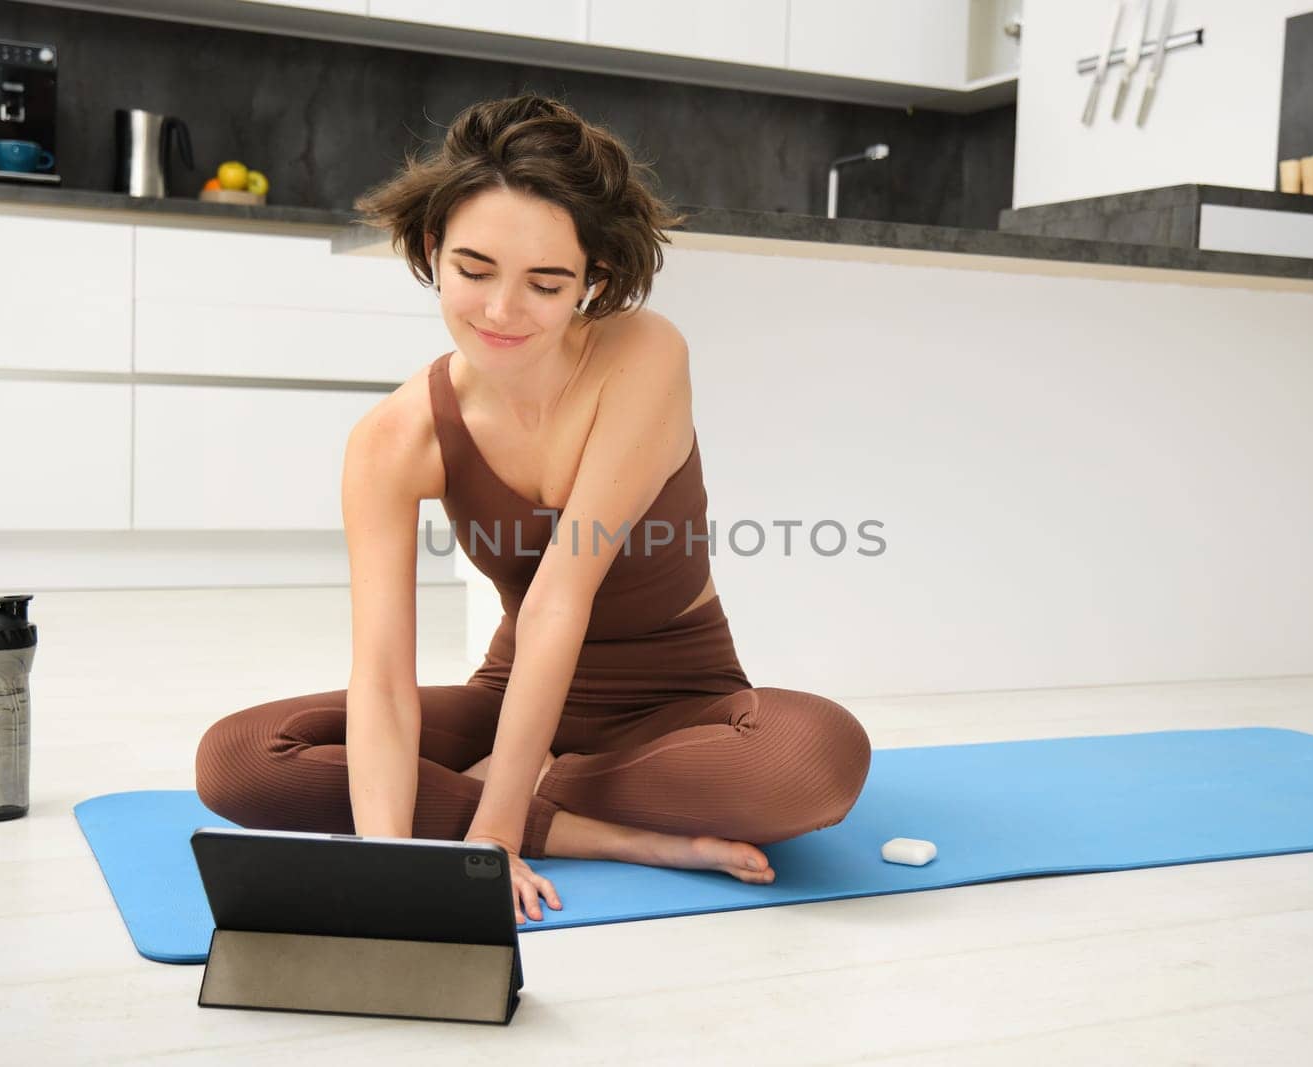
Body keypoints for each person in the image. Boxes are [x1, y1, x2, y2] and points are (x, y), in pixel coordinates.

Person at [195, 94, 872, 927]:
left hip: (676, 702)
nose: (501, 312)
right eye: (473, 271)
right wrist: (388, 865)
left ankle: (537, 795)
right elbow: (380, 675)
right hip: (512, 693)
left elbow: (562, 594)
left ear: (593, 280)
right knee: (240, 760)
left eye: (545, 284)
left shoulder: (642, 354)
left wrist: (498, 827)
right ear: (433, 252)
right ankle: (607, 832)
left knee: (811, 761)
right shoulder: (394, 438)